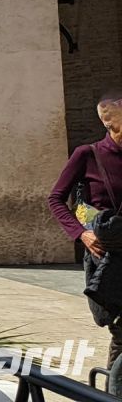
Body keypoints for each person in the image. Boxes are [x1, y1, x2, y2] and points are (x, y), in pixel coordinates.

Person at [50, 95, 122, 367]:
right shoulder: (87, 154)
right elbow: (55, 199)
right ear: (109, 123)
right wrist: (81, 233)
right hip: (104, 253)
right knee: (120, 328)